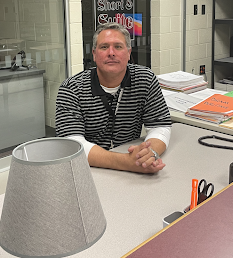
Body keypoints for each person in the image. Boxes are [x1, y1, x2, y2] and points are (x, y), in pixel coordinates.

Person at [56, 22, 171, 173]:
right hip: (88, 169)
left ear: (129, 53)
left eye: (118, 46)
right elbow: (73, 144)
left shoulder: (145, 79)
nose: (111, 53)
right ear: (94, 54)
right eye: (104, 47)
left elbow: (160, 125)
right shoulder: (72, 88)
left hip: (130, 168)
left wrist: (148, 155)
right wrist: (127, 162)